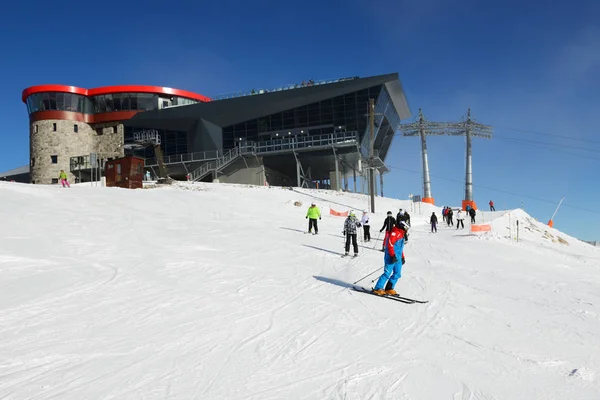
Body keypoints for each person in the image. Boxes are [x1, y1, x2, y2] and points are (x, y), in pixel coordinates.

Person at [372, 220, 409, 296]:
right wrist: (392, 255)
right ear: (403, 227)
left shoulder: (401, 234)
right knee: (387, 273)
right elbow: (390, 244)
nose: (407, 230)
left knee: (397, 273)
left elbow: (400, 248)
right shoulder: (394, 232)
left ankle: (389, 288)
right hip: (391, 256)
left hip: (398, 258)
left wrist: (402, 257)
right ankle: (378, 288)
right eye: (406, 228)